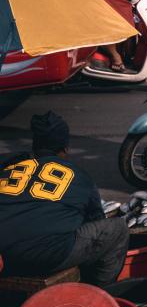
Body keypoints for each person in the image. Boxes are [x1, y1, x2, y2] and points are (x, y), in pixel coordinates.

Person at [0, 112, 129, 286]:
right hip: (47, 255)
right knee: (118, 228)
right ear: (65, 149)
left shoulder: (11, 167)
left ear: (35, 146)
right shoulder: (79, 174)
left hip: (5, 256)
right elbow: (96, 219)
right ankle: (98, 296)